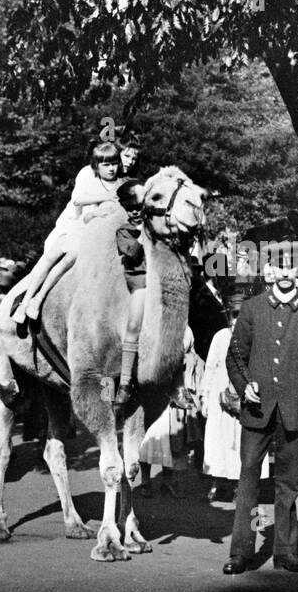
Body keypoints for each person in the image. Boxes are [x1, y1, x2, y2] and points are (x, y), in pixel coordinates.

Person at [224, 244, 298, 574]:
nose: (286, 272)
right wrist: (245, 386)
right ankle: (241, 552)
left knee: (288, 483)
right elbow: (235, 356)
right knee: (248, 480)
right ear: (270, 271)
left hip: (295, 410)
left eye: (293, 266)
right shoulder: (253, 308)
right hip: (257, 411)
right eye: (279, 266)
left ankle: (285, 552)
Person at [11, 141, 125, 332]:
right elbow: (79, 201)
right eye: (106, 164)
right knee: (49, 257)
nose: (111, 168)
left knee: (71, 255)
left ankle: (38, 299)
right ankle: (25, 301)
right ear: (97, 166)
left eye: (114, 163)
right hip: (78, 226)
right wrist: (104, 199)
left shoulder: (120, 185)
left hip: (93, 235)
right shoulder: (93, 180)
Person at [200, 291, 266, 502]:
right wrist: (204, 396)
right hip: (220, 396)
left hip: (246, 396)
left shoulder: (257, 336)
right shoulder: (220, 337)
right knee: (217, 441)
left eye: (241, 314)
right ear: (228, 316)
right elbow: (210, 368)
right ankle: (217, 484)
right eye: (233, 315)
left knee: (242, 442)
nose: (237, 319)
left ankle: (241, 486)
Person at [138, 326, 204, 497]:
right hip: (155, 395)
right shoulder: (153, 327)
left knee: (174, 442)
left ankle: (168, 481)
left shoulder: (186, 330)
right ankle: (145, 481)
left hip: (176, 396)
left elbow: (186, 350)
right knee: (151, 439)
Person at [112, 178, 147, 407]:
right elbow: (133, 254)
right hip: (140, 281)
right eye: (130, 207)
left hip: (158, 281)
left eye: (139, 206)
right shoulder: (124, 231)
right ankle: (124, 382)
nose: (135, 211)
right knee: (133, 325)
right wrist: (144, 234)